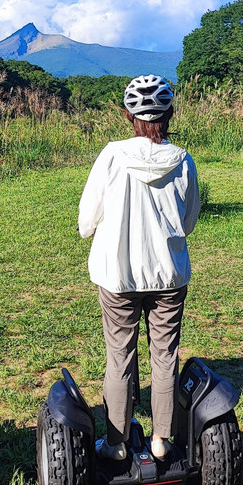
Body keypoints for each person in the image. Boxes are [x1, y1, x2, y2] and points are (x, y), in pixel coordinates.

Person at [78, 75, 200, 462]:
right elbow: (190, 219)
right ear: (168, 114)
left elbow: (86, 222)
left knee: (120, 355)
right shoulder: (183, 160)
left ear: (129, 114)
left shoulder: (111, 155)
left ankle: (115, 443)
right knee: (165, 355)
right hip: (168, 276)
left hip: (118, 276)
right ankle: (162, 440)